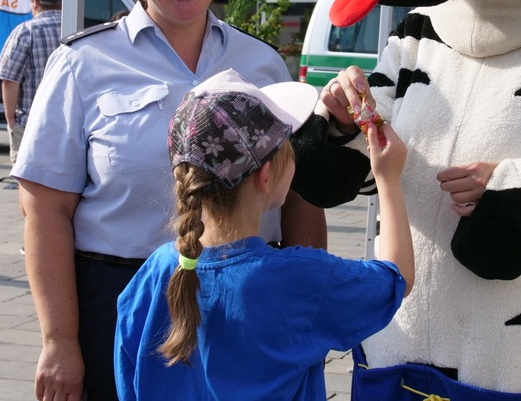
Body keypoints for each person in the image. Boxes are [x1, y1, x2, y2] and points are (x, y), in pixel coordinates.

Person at [14, 0, 326, 401]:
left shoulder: (263, 64)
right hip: (124, 303)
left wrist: (306, 309)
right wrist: (59, 342)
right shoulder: (83, 64)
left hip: (250, 300)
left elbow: (299, 198)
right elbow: (44, 209)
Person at [115, 69, 414, 401]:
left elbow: (130, 376)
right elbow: (397, 278)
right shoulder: (301, 278)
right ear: (267, 174)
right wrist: (388, 180)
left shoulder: (155, 272)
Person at [0, 0, 62, 164]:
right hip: (69, 125)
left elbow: (9, 80)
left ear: (35, 3)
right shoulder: (75, 29)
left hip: (31, 123)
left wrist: (11, 121)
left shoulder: (26, 31)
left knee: (27, 178)